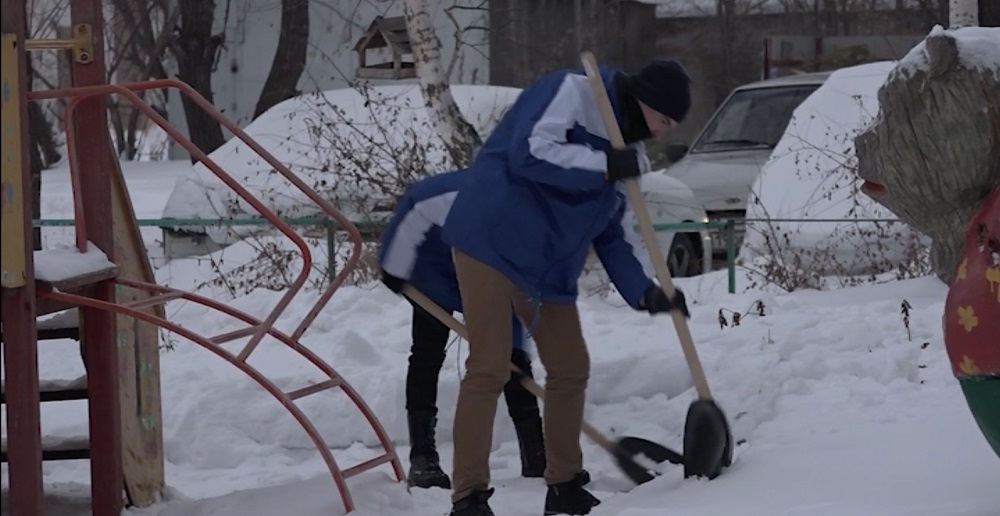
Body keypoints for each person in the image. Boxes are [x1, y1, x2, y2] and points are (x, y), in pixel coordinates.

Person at [438, 60, 693, 516]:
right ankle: (469, 496)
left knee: (571, 366)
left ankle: (565, 483)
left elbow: (614, 232)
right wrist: (601, 163)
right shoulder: (574, 92)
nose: (661, 133)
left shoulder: (629, 154)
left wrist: (645, 291)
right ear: (645, 103)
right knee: (490, 366)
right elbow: (529, 151)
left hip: (547, 263)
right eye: (664, 120)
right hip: (493, 238)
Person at [376, 170, 551, 489]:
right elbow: (415, 204)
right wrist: (394, 264)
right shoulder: (469, 192)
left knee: (513, 352)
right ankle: (423, 457)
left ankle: (537, 454)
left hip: (492, 271)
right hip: (430, 267)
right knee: (428, 351)